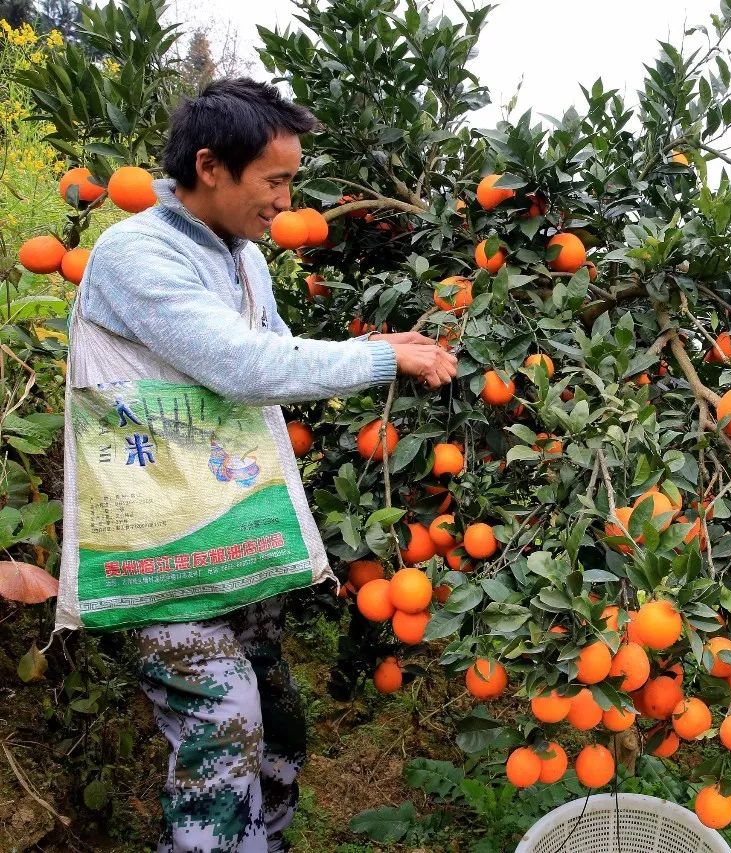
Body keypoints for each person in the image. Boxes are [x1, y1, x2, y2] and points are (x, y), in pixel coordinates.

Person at [70, 77, 457, 852]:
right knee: (224, 718)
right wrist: (377, 359)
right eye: (275, 180)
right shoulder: (134, 253)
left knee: (275, 712)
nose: (286, 200)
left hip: (226, 529)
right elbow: (242, 366)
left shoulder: (245, 259)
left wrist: (372, 355)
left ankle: (266, 839)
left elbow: (275, 356)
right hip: (150, 547)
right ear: (211, 166)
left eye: (292, 180)